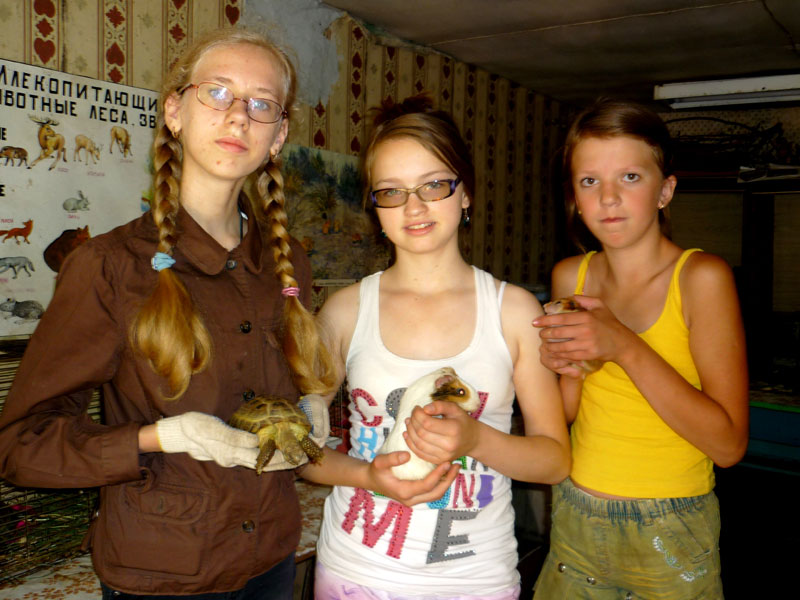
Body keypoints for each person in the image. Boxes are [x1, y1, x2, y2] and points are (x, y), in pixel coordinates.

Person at [0, 27, 336, 599]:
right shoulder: (109, 266)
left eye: (262, 104)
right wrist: (161, 436)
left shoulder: (289, 264)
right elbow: (21, 445)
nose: (238, 117)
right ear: (175, 112)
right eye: (217, 93)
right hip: (163, 575)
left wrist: (314, 401)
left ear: (278, 136)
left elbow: (289, 378)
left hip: (271, 555)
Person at [302, 94, 571, 600]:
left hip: (475, 581)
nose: (414, 207)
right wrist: (368, 475)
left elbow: (554, 460)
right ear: (375, 207)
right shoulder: (344, 312)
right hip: (355, 574)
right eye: (391, 191)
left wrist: (475, 440)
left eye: (433, 185)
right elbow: (299, 448)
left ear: (465, 193)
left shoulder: (513, 311)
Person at [531, 98, 749, 599]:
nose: (608, 198)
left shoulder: (701, 278)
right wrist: (564, 369)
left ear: (665, 190)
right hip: (576, 511)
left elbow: (729, 446)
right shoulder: (570, 276)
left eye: (629, 177)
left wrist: (625, 347)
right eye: (590, 181)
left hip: (671, 523)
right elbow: (566, 414)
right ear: (575, 197)